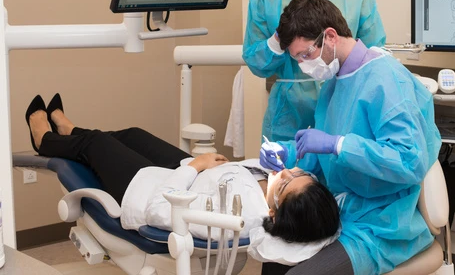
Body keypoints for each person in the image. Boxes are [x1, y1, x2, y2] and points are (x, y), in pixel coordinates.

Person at [260, 0, 442, 275]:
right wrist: (288, 152)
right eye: (297, 59)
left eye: (305, 55)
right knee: (272, 261)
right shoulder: (335, 83)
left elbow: (408, 161)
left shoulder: (385, 79)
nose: (304, 65)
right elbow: (327, 155)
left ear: (330, 36)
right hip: (343, 211)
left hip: (381, 225)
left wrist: (338, 145)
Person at [25, 93, 340, 246]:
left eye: (285, 183)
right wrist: (269, 165)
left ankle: (45, 139)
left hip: (148, 191)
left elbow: (161, 209)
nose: (286, 173)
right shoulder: (283, 188)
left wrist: (195, 166)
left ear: (274, 214)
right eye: (298, 174)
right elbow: (292, 180)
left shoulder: (233, 217)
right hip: (188, 172)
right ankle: (70, 131)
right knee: (134, 134)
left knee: (96, 144)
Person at [242, 0, 386, 144]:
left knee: (338, 162)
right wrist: (278, 40)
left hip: (343, 106)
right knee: (286, 167)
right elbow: (256, 63)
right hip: (289, 113)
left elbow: (373, 56)